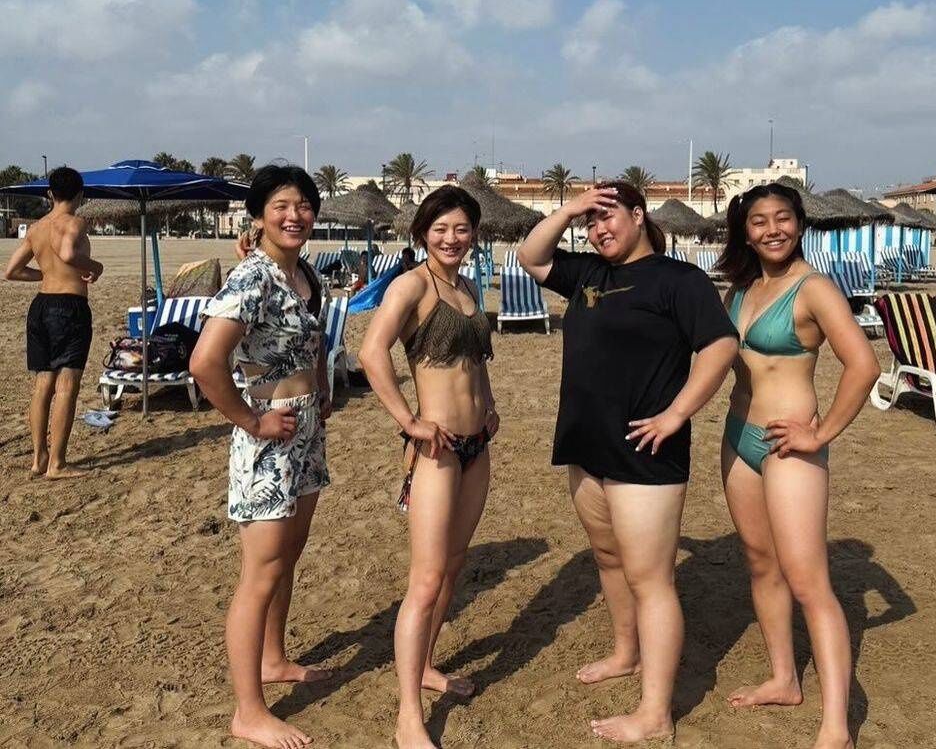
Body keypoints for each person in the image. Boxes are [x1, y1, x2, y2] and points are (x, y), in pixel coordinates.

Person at [517, 182, 739, 743]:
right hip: (587, 444)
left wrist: (677, 414)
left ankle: (656, 713)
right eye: (591, 223)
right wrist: (571, 208)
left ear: (639, 216)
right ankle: (625, 652)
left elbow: (720, 346)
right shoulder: (588, 274)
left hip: (646, 451)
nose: (599, 230)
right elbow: (531, 257)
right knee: (609, 557)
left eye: (609, 217)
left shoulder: (679, 280)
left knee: (651, 579)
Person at [717, 183, 880, 749]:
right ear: (745, 232)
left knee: (809, 583)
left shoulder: (815, 289)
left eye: (782, 218)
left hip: (790, 446)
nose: (772, 230)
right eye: (759, 221)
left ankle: (836, 727)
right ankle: (784, 678)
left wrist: (821, 431)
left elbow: (864, 365)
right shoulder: (741, 288)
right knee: (761, 564)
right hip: (738, 436)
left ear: (800, 223)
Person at [190, 165, 332, 749]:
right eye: (281, 206)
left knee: (287, 557)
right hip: (269, 437)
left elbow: (313, 341)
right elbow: (205, 363)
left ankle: (273, 658)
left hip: (305, 429)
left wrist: (321, 385)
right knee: (261, 572)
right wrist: (252, 420)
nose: (294, 215)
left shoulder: (303, 273)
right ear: (259, 215)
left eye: (303, 205)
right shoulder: (253, 278)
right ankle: (248, 711)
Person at [359, 185, 498, 749]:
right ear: (422, 233)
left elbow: (475, 360)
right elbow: (372, 352)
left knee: (453, 567)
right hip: (436, 449)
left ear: (474, 234)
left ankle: (426, 667)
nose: (451, 238)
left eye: (462, 228)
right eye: (440, 229)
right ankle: (408, 717)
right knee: (425, 580)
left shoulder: (467, 287)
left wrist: (490, 405)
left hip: (475, 446)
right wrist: (408, 420)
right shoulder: (412, 285)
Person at [4, 167, 102, 479]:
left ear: (49, 194)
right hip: (69, 307)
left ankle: (39, 458)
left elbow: (11, 271)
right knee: (67, 384)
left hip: (41, 307)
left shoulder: (37, 228)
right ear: (80, 195)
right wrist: (95, 266)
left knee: (43, 383)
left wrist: (46, 273)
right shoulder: (75, 222)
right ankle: (57, 463)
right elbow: (68, 252)